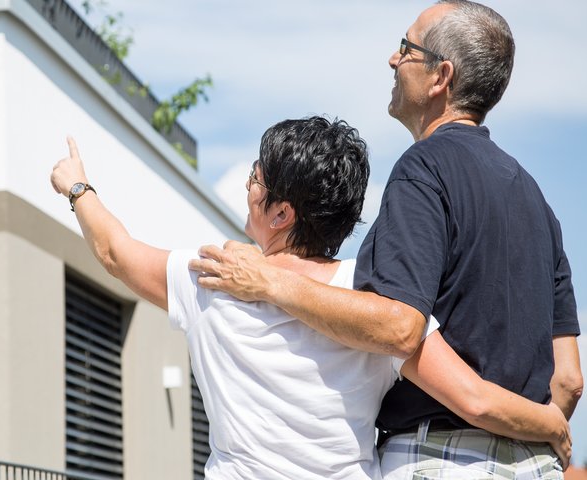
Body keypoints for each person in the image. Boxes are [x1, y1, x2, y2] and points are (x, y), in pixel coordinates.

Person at [51, 116, 570, 479]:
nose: (248, 187)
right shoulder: (373, 303)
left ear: (281, 214)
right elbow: (473, 398)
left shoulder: (210, 279)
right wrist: (551, 422)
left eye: (256, 178)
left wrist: (78, 188)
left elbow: (115, 252)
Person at [188, 1, 581, 478]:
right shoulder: (537, 202)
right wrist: (543, 424)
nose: (392, 61)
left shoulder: (423, 169)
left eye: (405, 49)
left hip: (438, 458)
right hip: (536, 462)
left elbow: (398, 328)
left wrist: (268, 282)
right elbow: (569, 380)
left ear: (441, 77)